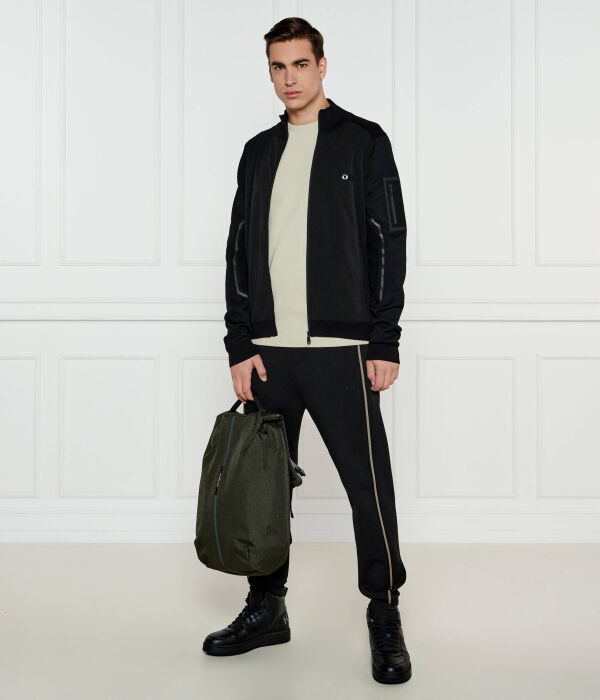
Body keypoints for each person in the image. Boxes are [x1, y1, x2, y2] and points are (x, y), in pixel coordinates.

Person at [202, 17, 411, 685]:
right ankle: (267, 606)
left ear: (322, 66)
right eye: (277, 66)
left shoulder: (363, 142)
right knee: (265, 487)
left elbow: (388, 239)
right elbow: (238, 251)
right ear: (269, 71)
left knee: (367, 486)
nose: (289, 77)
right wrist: (239, 342)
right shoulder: (258, 152)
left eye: (299, 64)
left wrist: (384, 338)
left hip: (341, 347)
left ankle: (384, 611)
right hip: (269, 352)